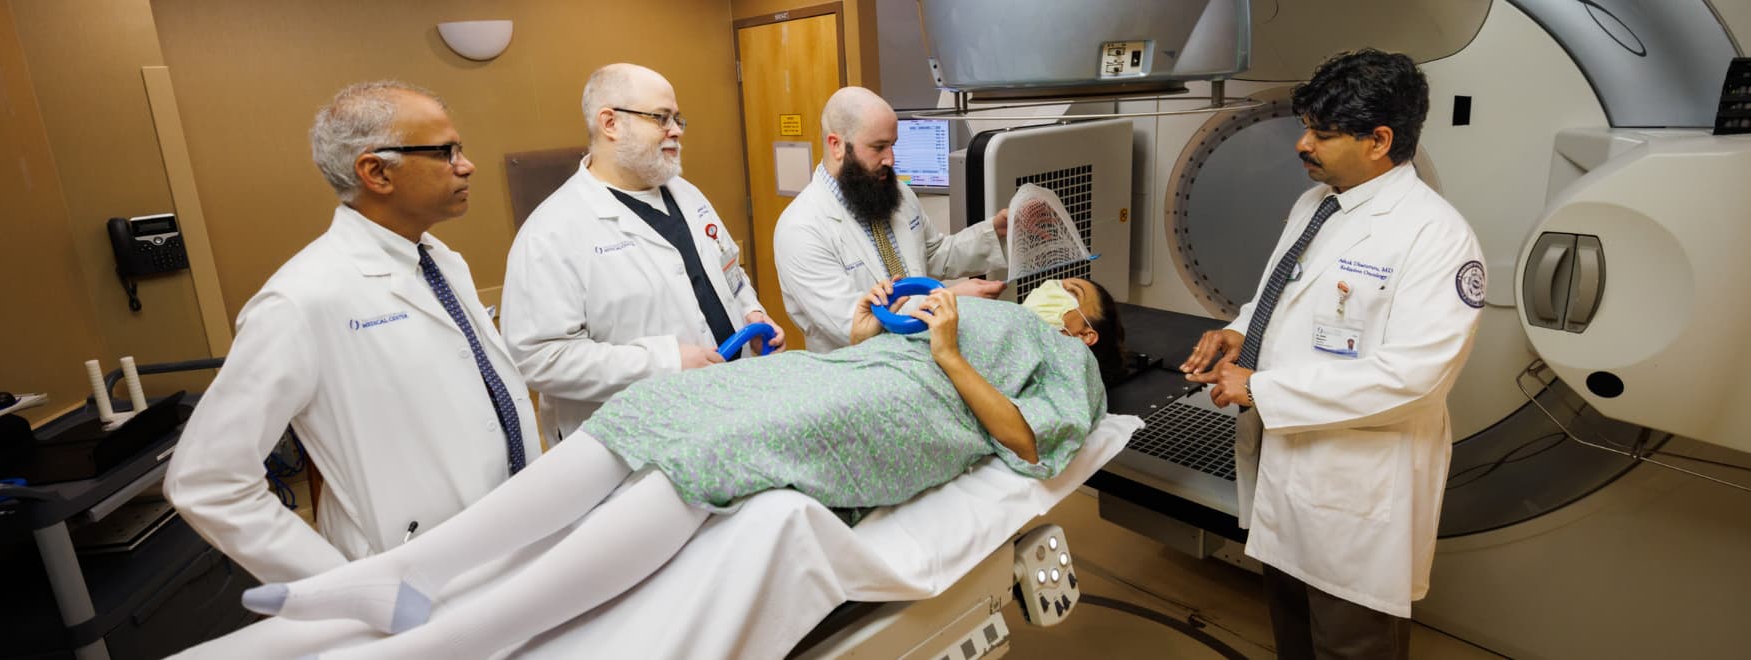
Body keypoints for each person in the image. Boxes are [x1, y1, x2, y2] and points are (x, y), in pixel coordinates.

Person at [238, 277, 1122, 659]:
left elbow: (1031, 443)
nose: (1055, 293)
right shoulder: (984, 304)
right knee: (654, 407)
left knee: (710, 453)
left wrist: (953, 353)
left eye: (1073, 298)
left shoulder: (1069, 363)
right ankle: (403, 576)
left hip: (911, 415)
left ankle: (468, 638)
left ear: (1084, 330)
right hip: (856, 373)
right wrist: (872, 328)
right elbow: (885, 343)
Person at [165, 82, 541, 583]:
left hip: (515, 540)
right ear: (376, 172)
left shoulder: (441, 263)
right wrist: (350, 589)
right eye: (446, 152)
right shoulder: (301, 300)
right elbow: (208, 481)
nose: (466, 165)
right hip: (412, 573)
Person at [1179, 49, 1485, 659]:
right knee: (1292, 632)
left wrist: (1260, 389)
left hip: (1354, 491)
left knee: (1353, 644)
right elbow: (1285, 299)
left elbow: (1414, 379)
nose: (1302, 144)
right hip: (1286, 468)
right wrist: (1242, 331)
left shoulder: (1437, 238)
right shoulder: (1316, 205)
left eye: (1322, 132)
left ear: (1379, 140)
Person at [503, 63, 783, 442]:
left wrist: (752, 311)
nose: (676, 130)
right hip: (639, 434)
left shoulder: (688, 195)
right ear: (610, 123)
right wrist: (664, 362)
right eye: (661, 118)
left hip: (732, 404)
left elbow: (729, 268)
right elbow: (540, 359)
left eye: (678, 118)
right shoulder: (551, 232)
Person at [773, 86, 1010, 352]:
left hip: (922, 353)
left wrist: (994, 232)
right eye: (879, 147)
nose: (891, 159)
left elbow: (934, 254)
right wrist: (947, 298)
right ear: (836, 145)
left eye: (892, 145)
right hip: (860, 372)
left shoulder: (894, 193)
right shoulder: (800, 229)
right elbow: (854, 325)